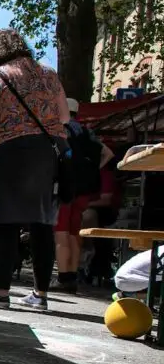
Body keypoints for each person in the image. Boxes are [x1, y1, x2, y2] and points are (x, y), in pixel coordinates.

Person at [0, 28, 69, 312]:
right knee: (41, 225)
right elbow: (64, 116)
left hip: (10, 152)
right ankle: (40, 295)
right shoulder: (48, 74)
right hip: (46, 154)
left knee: (6, 223)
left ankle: (0, 292)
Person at [51, 97, 115, 293]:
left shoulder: (60, 130)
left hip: (64, 188)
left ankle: (63, 278)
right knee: (73, 232)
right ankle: (72, 274)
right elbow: (109, 154)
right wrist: (93, 170)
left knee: (60, 232)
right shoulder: (87, 132)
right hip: (84, 191)